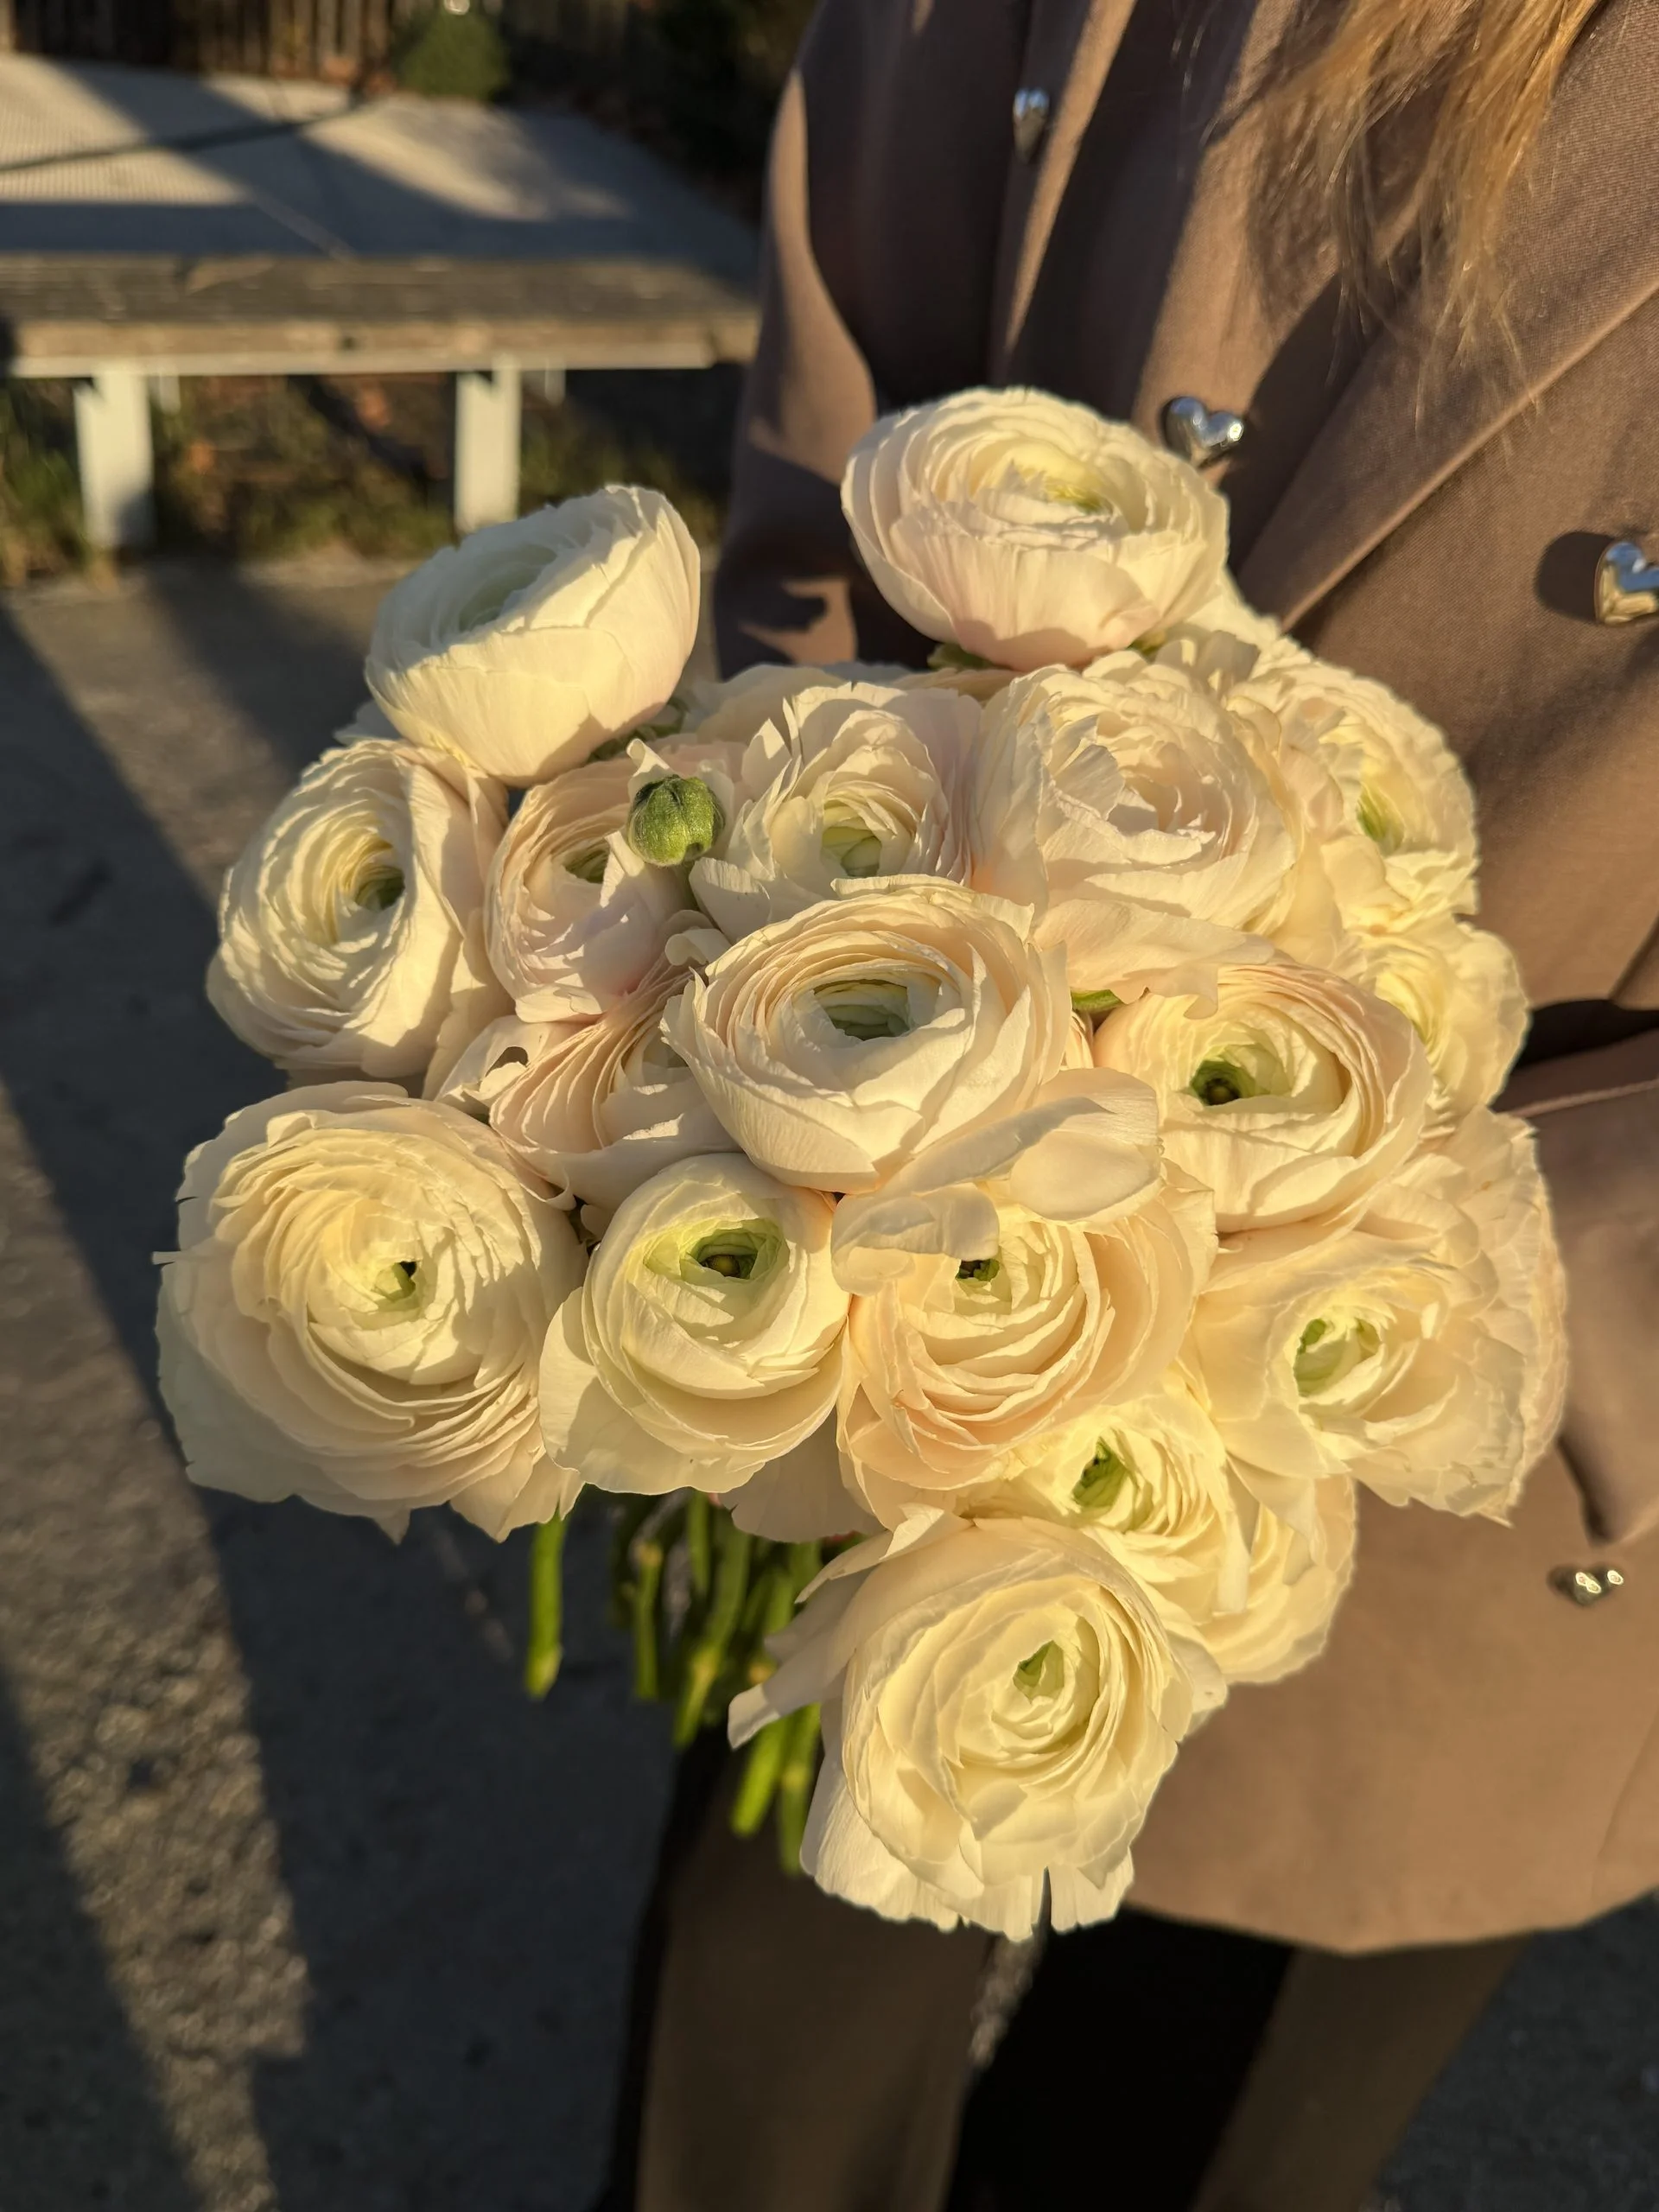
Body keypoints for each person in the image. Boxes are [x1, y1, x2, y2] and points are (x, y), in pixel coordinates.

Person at [594, 2, 1659, 2205]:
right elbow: (838, 462)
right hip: (886, 1324)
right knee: (757, 2066)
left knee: (1196, 2122)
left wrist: (1437, 1219)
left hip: (1489, 1420)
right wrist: (774, 935)